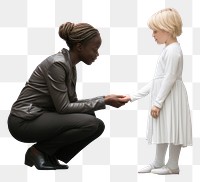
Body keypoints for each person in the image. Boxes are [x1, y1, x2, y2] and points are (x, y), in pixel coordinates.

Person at [7, 22, 128, 170]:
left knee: (94, 121)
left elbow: (72, 103)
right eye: (95, 49)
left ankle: (49, 154)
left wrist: (104, 98)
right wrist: (104, 101)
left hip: (40, 116)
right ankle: (37, 151)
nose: (97, 54)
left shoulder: (69, 64)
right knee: (91, 123)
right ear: (79, 46)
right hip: (24, 121)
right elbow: (64, 107)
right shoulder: (57, 64)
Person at [122, 8, 192, 175]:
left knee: (174, 127)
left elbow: (170, 78)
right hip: (166, 94)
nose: (153, 35)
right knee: (163, 127)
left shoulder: (174, 50)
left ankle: (173, 165)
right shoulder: (168, 49)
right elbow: (157, 81)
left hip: (171, 96)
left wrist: (157, 103)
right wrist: (133, 96)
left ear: (167, 28)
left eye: (155, 31)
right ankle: (158, 162)